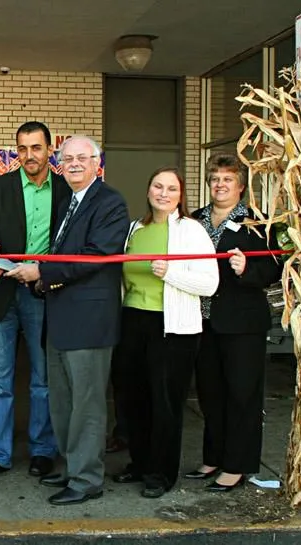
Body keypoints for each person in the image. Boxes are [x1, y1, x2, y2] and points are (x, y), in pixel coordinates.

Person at [6, 135, 130, 505]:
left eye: (82, 158)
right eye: (68, 158)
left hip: (90, 321)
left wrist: (42, 274)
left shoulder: (110, 203)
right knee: (62, 401)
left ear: (96, 163)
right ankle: (70, 464)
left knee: (87, 404)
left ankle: (87, 478)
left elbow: (95, 257)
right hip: (60, 316)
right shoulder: (68, 201)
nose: (74, 163)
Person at [110, 167, 219, 498]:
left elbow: (210, 284)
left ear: (180, 196)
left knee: (165, 403)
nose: (163, 193)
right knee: (134, 400)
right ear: (148, 191)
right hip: (133, 321)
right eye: (158, 186)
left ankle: (162, 473)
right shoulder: (135, 229)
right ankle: (140, 464)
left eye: (172, 188)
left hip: (173, 328)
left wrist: (171, 272)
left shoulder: (192, 230)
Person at [0, 121, 66, 482]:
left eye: (36, 148)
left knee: (43, 378)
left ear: (48, 151)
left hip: (43, 293)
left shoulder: (64, 191)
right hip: (0, 292)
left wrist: (39, 269)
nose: (29, 155)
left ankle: (43, 450)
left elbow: (68, 245)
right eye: (22, 149)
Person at [185, 154, 282, 492]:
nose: (220, 184)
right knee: (210, 393)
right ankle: (213, 457)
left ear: (240, 186)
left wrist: (247, 271)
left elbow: (275, 268)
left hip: (242, 323)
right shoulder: (195, 220)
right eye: (215, 179)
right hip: (204, 321)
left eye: (227, 179)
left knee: (242, 395)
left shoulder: (258, 222)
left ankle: (237, 466)